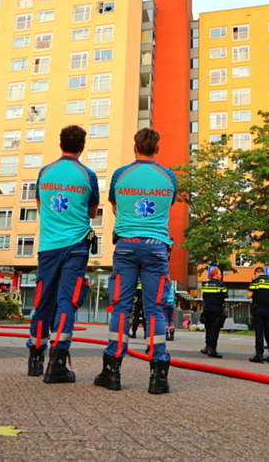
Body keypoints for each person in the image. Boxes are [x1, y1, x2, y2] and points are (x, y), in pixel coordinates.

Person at [95, 128, 176, 394]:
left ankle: (112, 371)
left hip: (126, 245)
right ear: (157, 149)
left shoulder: (121, 174)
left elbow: (115, 207)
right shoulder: (169, 177)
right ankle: (159, 376)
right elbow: (166, 208)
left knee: (121, 307)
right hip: (157, 247)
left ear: (134, 147)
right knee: (155, 310)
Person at [26, 125, 99, 383]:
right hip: (76, 246)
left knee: (43, 299)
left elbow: (40, 205)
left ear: (60, 144)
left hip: (48, 246)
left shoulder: (45, 172)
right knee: (67, 300)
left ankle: (35, 357)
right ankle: (58, 363)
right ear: (82, 147)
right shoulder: (87, 175)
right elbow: (92, 212)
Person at [247, 267, 269, 364]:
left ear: (256, 273)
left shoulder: (256, 281)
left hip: (259, 309)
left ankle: (259, 355)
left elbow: (249, 295)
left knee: (259, 333)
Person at [200, 268, 227, 358]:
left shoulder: (206, 285)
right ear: (215, 275)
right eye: (220, 274)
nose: (221, 275)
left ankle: (207, 347)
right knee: (214, 330)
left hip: (207, 309)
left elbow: (204, 296)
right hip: (217, 309)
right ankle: (212, 349)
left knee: (208, 329)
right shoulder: (220, 285)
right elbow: (226, 294)